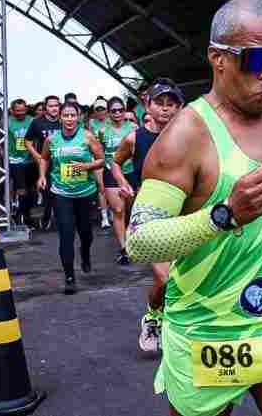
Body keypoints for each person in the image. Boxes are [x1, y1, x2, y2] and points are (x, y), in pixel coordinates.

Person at [126, 0, 262, 416]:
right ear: (218, 59)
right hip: (209, 331)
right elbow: (141, 240)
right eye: (254, 60)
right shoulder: (185, 137)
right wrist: (224, 214)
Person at [113, 78, 184, 352]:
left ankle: (175, 325)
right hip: (149, 215)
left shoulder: (188, 135)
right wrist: (122, 182)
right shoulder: (135, 137)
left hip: (183, 214)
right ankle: (153, 316)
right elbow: (115, 163)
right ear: (148, 105)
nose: (165, 109)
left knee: (183, 277)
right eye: (160, 103)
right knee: (165, 278)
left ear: (180, 108)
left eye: (171, 104)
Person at [37, 101, 105, 294]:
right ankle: (69, 278)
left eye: (72, 115)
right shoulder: (52, 139)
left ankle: (85, 254)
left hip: (85, 192)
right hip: (61, 193)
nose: (69, 119)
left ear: (78, 117)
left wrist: (86, 167)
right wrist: (42, 176)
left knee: (86, 233)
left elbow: (101, 160)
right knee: (66, 236)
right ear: (60, 117)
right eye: (65, 115)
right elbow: (44, 158)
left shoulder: (87, 136)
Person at [100, 96, 137, 266]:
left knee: (130, 210)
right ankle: (123, 248)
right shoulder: (102, 131)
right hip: (111, 174)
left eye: (120, 110)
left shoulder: (134, 128)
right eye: (113, 110)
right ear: (108, 113)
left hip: (130, 173)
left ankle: (132, 242)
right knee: (118, 210)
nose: (117, 113)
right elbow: (98, 154)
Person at [26, 96, 61, 230]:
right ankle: (46, 215)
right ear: (45, 107)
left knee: (61, 192)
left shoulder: (65, 121)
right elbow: (28, 141)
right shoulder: (37, 123)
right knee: (47, 192)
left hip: (63, 163)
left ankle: (60, 219)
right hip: (45, 163)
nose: (54, 108)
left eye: (56, 105)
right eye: (51, 106)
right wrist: (36, 155)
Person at [7, 98, 36, 227]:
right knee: (21, 189)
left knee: (31, 190)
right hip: (15, 160)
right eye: (18, 111)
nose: (21, 113)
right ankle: (20, 215)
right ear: (12, 111)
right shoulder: (7, 121)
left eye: (23, 110)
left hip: (31, 159)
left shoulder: (32, 121)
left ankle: (26, 213)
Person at [89, 97, 112, 229]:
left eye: (102, 108)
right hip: (98, 158)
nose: (100, 111)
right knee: (102, 188)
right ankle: (104, 217)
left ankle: (113, 212)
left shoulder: (112, 121)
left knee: (112, 187)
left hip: (111, 158)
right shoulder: (92, 123)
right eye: (98, 109)